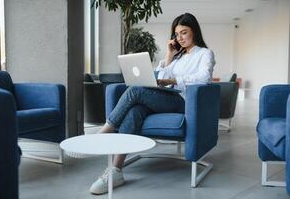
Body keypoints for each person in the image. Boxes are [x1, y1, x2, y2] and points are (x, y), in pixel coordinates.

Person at [90, 12, 215, 195]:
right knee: (135, 111)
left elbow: (204, 77)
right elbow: (159, 78)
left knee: (135, 91)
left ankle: (105, 131)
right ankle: (116, 170)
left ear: (194, 31)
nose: (180, 38)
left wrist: (173, 80)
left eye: (184, 32)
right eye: (177, 34)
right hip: (167, 96)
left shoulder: (205, 53)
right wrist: (169, 56)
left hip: (185, 101)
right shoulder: (177, 56)